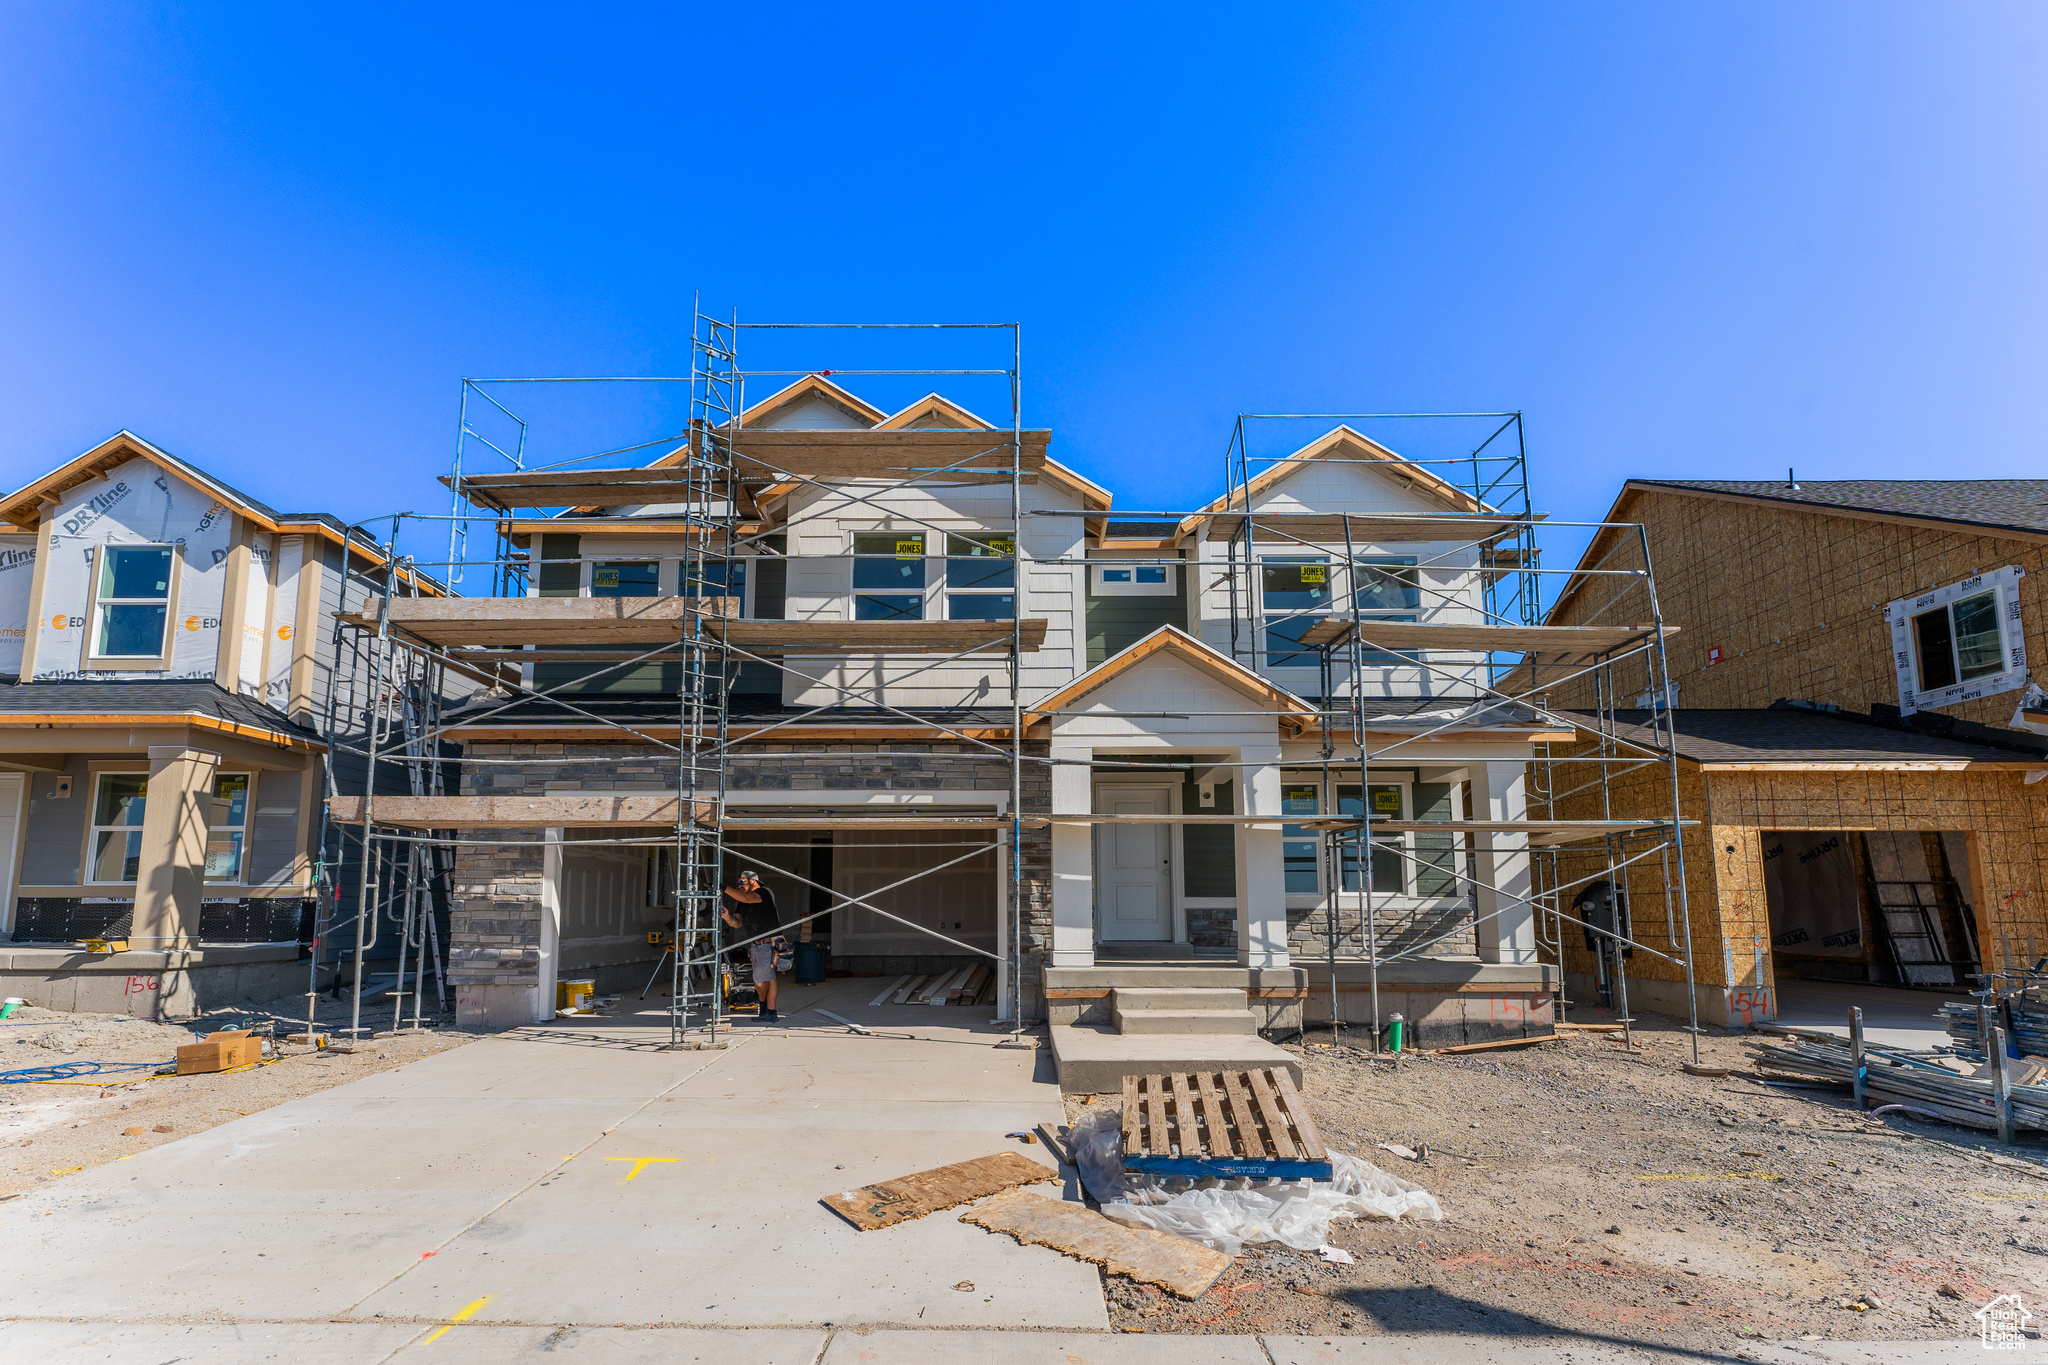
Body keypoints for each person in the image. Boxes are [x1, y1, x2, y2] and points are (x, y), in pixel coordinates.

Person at [721, 869, 786, 1022]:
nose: (739, 886)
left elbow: (749, 898)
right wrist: (727, 916)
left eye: (742, 882)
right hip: (756, 945)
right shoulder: (743, 901)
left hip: (769, 942)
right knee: (765, 979)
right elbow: (737, 923)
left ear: (753, 881)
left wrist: (723, 888)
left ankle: (769, 1011)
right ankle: (767, 1011)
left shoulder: (763, 892)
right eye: (738, 884)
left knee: (762, 978)